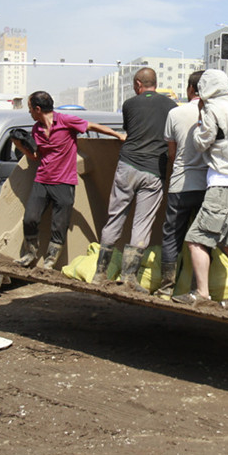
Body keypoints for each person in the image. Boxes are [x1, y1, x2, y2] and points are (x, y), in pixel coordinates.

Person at [172, 69, 228, 312]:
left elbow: (201, 143)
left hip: (223, 183)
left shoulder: (212, 108)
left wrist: (201, 116)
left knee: (195, 240)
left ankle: (201, 294)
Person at [12, 91, 125, 270]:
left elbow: (92, 127)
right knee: (30, 219)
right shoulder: (36, 129)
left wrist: (118, 135)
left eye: (30, 109)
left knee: (59, 225)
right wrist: (19, 145)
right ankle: (30, 254)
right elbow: (35, 157)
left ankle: (50, 261)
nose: (30, 113)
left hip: (64, 182)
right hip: (42, 180)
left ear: (38, 109)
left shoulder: (66, 121)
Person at [93, 67, 178, 291]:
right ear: (155, 83)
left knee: (115, 217)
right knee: (142, 225)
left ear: (139, 85)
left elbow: (131, 131)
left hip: (127, 166)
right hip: (153, 171)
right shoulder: (171, 107)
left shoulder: (129, 104)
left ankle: (100, 273)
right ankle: (129, 277)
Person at [155, 70, 206, 298]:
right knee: (204, 238)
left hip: (180, 185)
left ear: (190, 89)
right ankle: (199, 290)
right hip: (207, 186)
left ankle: (166, 287)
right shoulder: (215, 113)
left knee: (172, 235)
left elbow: (172, 153)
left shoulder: (175, 113)